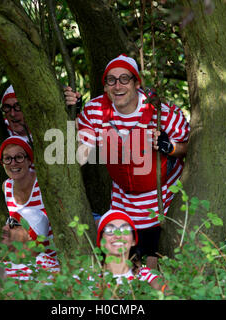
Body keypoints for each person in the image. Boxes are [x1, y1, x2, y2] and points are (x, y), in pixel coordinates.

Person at [64, 54, 190, 270]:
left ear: (136, 83)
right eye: (111, 80)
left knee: (154, 267)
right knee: (124, 267)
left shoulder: (160, 111)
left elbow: (189, 146)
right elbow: (80, 153)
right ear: (105, 86)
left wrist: (169, 146)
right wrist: (70, 113)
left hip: (163, 201)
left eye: (124, 79)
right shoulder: (96, 110)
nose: (118, 86)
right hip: (124, 201)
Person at [0, 135, 56, 258]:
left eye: (19, 157)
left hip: (54, 257)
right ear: (2, 163)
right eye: (7, 158)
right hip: (26, 258)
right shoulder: (7, 187)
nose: (13, 163)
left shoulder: (44, 183)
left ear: (29, 160)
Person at [1, 208, 59, 281]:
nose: (4, 228)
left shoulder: (50, 270)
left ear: (30, 235)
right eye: (7, 222)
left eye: (13, 224)